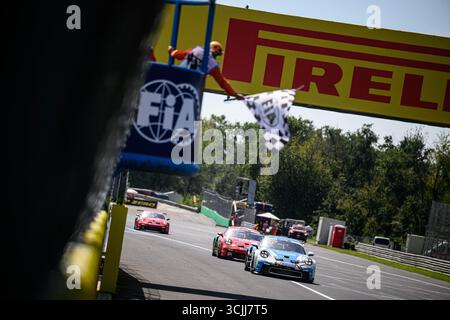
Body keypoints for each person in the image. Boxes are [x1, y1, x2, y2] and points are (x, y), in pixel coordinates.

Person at [168, 41, 244, 100]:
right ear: (214, 51)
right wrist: (234, 94)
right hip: (191, 86)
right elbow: (222, 82)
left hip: (176, 79)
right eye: (217, 54)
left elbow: (179, 55)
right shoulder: (213, 64)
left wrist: (171, 51)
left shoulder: (196, 49)